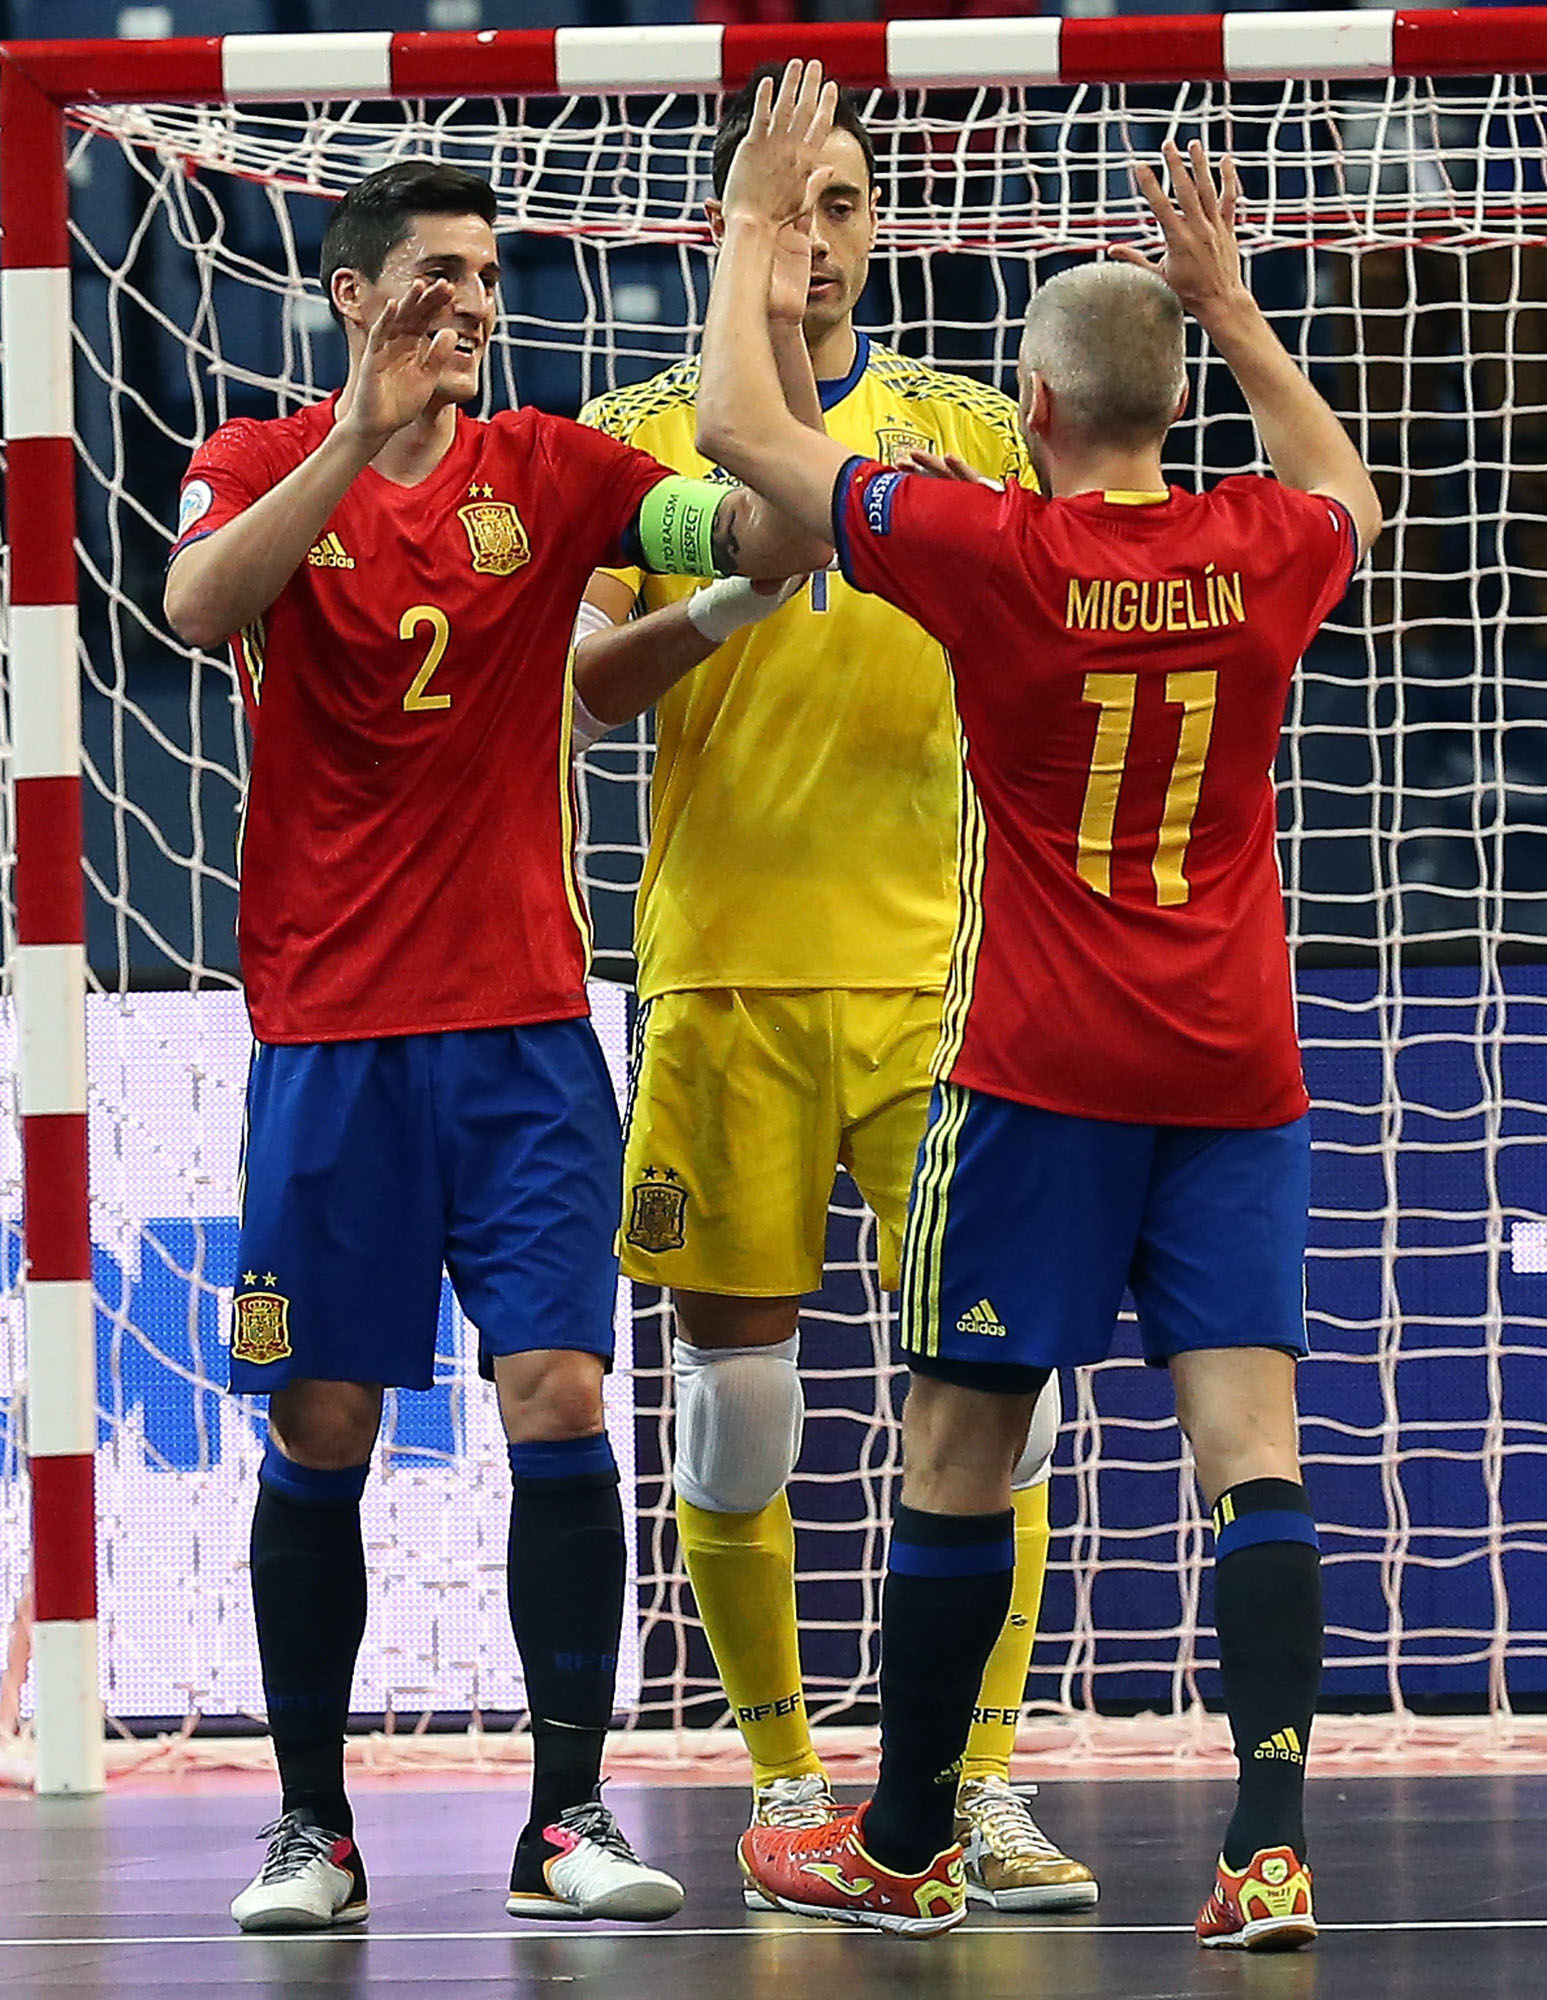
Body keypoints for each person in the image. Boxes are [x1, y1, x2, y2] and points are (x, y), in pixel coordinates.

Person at [695, 64, 1381, 1944]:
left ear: (1035, 410)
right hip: (1238, 1072)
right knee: (1252, 1453)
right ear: (1167, 401)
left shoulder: (999, 555)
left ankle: (903, 1838)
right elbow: (1348, 489)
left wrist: (761, 217)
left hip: (1039, 1073)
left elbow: (741, 430)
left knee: (958, 1446)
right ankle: (1266, 1849)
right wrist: (1237, 309)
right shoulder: (1263, 554)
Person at [163, 158, 825, 1934]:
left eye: (487, 275)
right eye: (437, 274)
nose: (472, 300)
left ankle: (565, 1816)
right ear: (357, 293)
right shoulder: (249, 457)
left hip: (528, 1030)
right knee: (321, 1413)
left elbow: (761, 535)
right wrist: (353, 434)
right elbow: (201, 608)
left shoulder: (558, 471)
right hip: (330, 1032)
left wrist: (758, 333)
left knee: (560, 1396)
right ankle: (312, 1825)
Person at [570, 65, 1093, 1914]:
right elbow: (589, 688)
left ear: (880, 229)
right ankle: (787, 1776)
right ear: (732, 225)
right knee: (736, 1406)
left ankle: (970, 1782)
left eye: (847, 201)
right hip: (721, 979)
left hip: (945, 988)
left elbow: (1098, 580)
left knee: (995, 1394)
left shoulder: (963, 422)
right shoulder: (637, 431)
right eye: (787, 200)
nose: (818, 233)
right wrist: (725, 592)